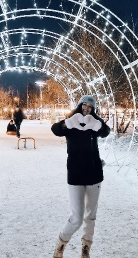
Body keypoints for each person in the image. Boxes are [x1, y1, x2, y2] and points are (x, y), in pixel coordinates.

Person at [51, 95, 110, 258]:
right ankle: (61, 243)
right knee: (77, 218)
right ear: (79, 106)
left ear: (93, 109)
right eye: (84, 105)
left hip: (94, 175)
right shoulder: (71, 123)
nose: (86, 108)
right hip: (76, 175)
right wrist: (66, 122)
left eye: (90, 107)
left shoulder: (93, 124)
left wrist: (97, 123)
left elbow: (106, 132)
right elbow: (55, 129)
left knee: (90, 216)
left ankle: (86, 248)